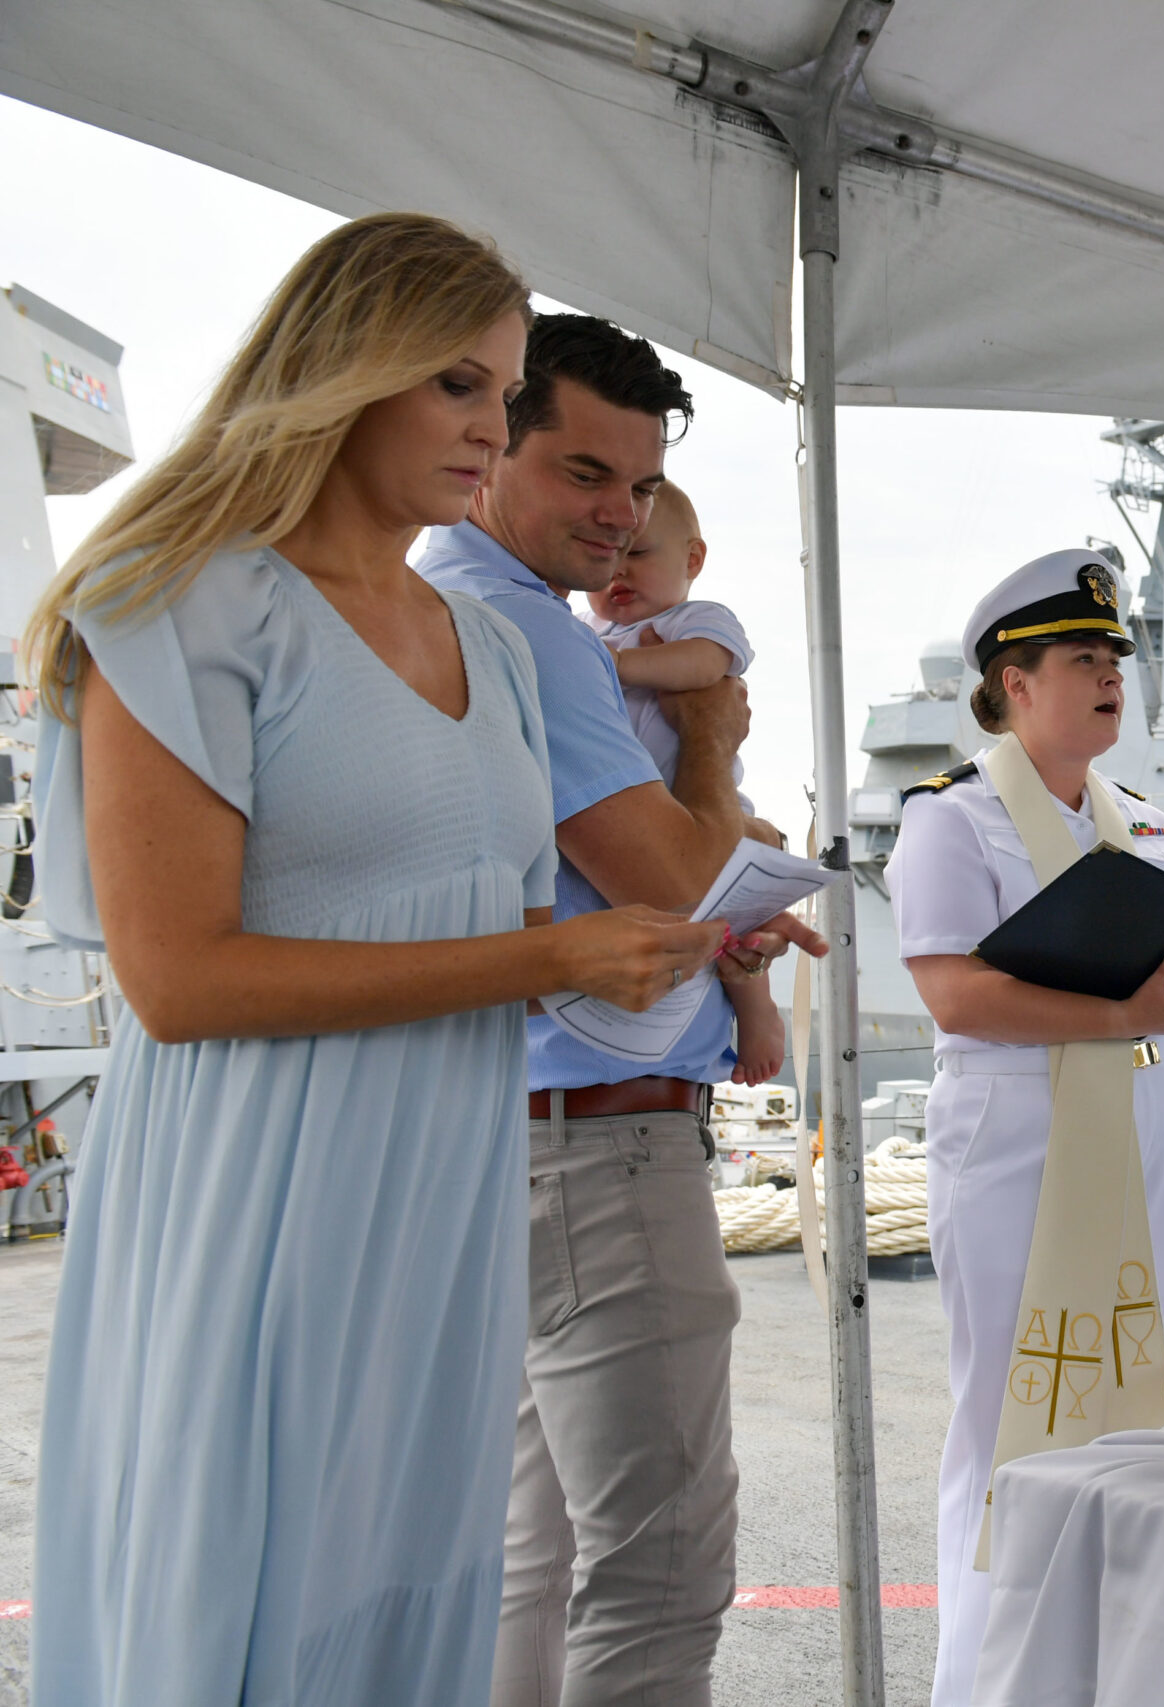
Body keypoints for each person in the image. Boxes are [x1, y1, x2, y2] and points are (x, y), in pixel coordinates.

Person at [25, 214, 724, 1707]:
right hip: (258, 1195)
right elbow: (179, 978)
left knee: (417, 1598)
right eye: (458, 385)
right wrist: (543, 951)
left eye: (502, 390)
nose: (491, 427)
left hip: (443, 1196)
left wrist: (622, 950)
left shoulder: (491, 641)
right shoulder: (182, 596)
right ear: (347, 370)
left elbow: (481, 926)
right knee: (254, 1600)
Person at [415, 313, 820, 1705]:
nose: (616, 516)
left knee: (529, 1557)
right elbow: (678, 876)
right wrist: (711, 747)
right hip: (601, 1147)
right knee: (654, 1576)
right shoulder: (529, 625)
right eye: (584, 471)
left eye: (641, 487)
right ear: (489, 453)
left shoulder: (431, 593)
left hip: (492, 1133)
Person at [887, 550, 1164, 1707]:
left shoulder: (1140, 823)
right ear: (1012, 682)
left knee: (1146, 1388)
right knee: (1009, 1413)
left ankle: (1113, 1667)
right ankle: (986, 1680)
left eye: (1115, 658)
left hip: (1139, 1117)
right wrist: (1118, 1008)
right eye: (1083, 658)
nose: (1109, 676)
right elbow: (952, 992)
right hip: (1015, 1133)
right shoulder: (951, 822)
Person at [581, 480, 787, 1082]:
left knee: (738, 924)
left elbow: (703, 667)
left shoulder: (696, 620)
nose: (618, 570)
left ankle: (756, 1009)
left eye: (638, 552)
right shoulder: (582, 634)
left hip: (703, 804)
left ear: (692, 560)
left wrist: (614, 665)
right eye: (608, 555)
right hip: (635, 809)